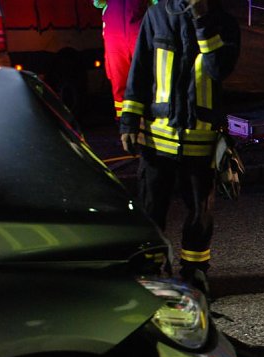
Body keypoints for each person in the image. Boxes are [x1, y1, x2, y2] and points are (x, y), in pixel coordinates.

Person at [119, 0, 240, 294]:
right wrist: (129, 120)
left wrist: (202, 21)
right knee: (151, 209)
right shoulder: (156, 16)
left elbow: (217, 69)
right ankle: (151, 268)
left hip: (200, 139)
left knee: (200, 211)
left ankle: (195, 270)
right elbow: (141, 67)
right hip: (157, 140)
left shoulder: (223, 22)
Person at [93, 0, 155, 119]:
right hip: (115, 32)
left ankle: (145, 120)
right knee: (119, 82)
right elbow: (98, 2)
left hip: (139, 30)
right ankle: (124, 123)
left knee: (145, 78)